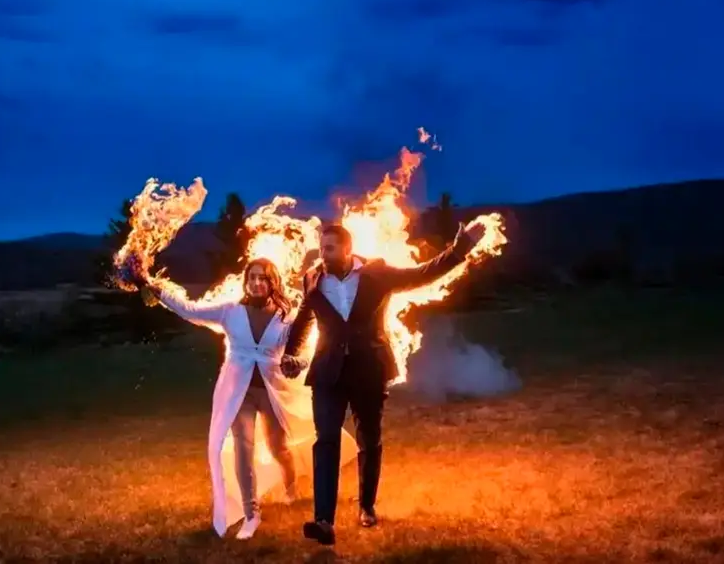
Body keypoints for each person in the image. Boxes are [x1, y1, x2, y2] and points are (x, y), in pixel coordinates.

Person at [281, 221, 486, 546]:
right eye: (321, 248)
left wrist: (459, 250)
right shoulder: (312, 278)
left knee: (369, 439)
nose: (323, 254)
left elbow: (422, 275)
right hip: (328, 372)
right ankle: (323, 521)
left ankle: (366, 506)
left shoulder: (377, 274)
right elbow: (305, 316)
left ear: (347, 249)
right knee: (326, 440)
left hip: (368, 369)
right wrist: (291, 353)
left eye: (329, 248)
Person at [130, 258, 357, 540]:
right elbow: (189, 310)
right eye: (252, 278)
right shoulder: (230, 311)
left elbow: (304, 349)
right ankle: (252, 513)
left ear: (273, 282)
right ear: (246, 282)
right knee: (243, 447)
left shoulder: (287, 317)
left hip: (274, 391)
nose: (257, 283)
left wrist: (298, 362)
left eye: (263, 278)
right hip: (239, 392)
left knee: (278, 447)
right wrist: (153, 286)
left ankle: (290, 488)